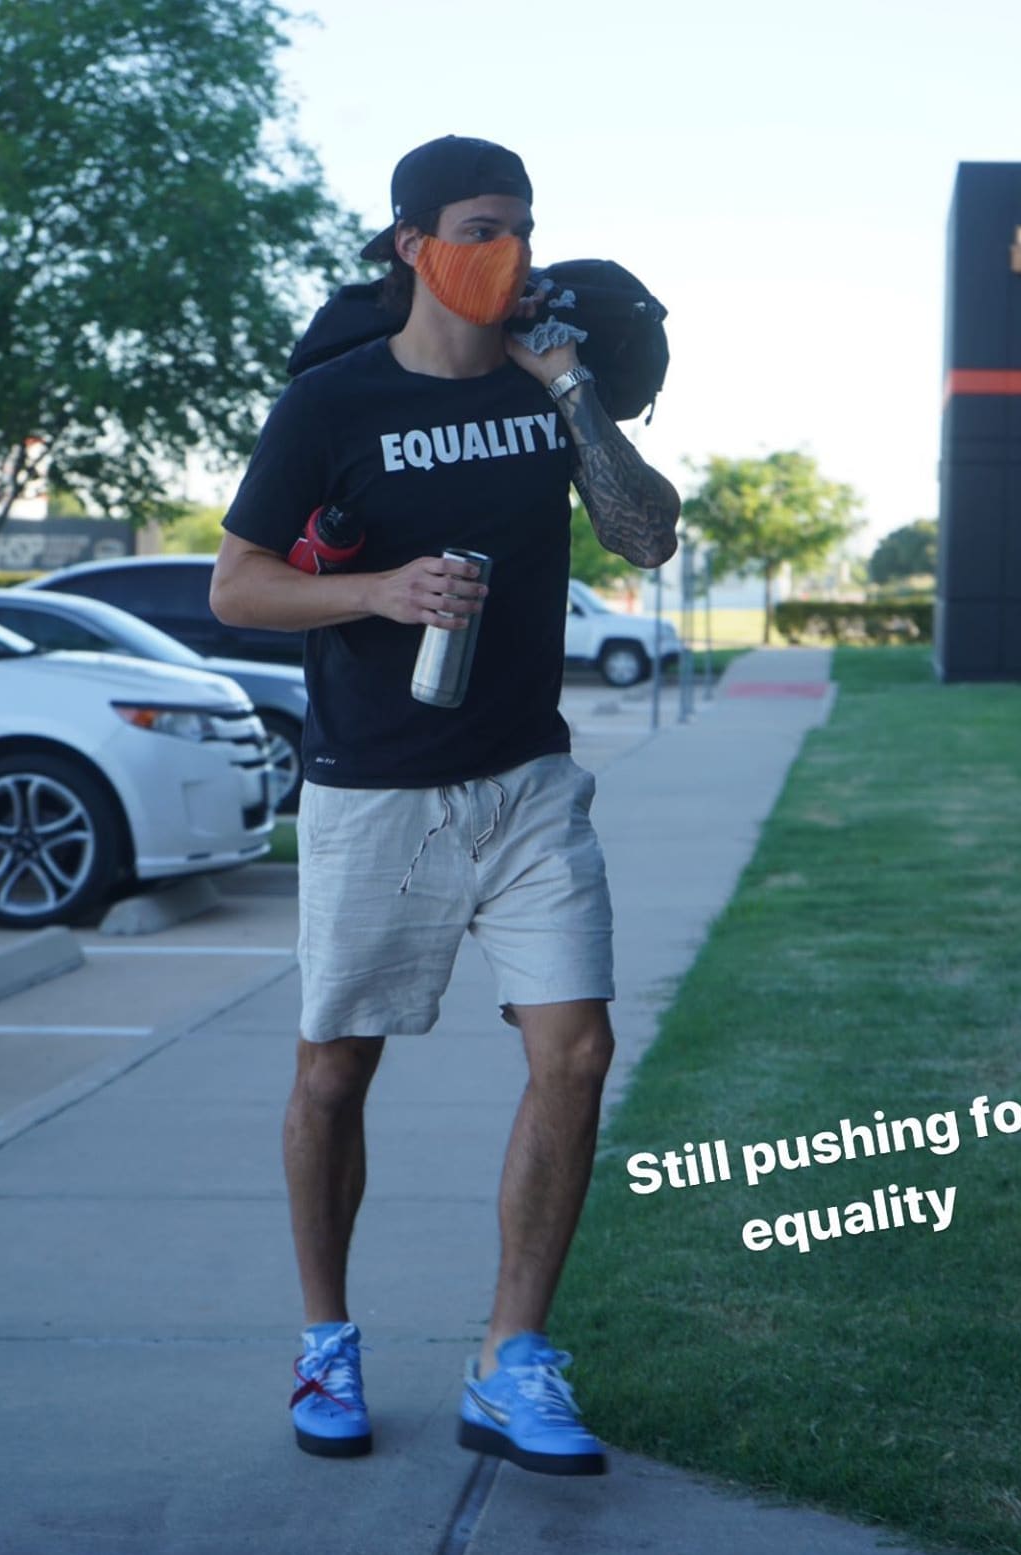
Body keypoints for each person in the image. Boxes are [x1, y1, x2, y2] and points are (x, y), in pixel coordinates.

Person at [210, 134, 679, 1477]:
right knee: (335, 1070)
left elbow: (647, 537)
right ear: (411, 244)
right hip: (376, 791)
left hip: (528, 783)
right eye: (481, 226)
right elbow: (238, 588)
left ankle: (510, 1359)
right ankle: (325, 1340)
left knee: (575, 1055)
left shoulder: (552, 392)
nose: (509, 251)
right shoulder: (332, 404)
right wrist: (378, 591)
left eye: (524, 227)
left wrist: (576, 387)